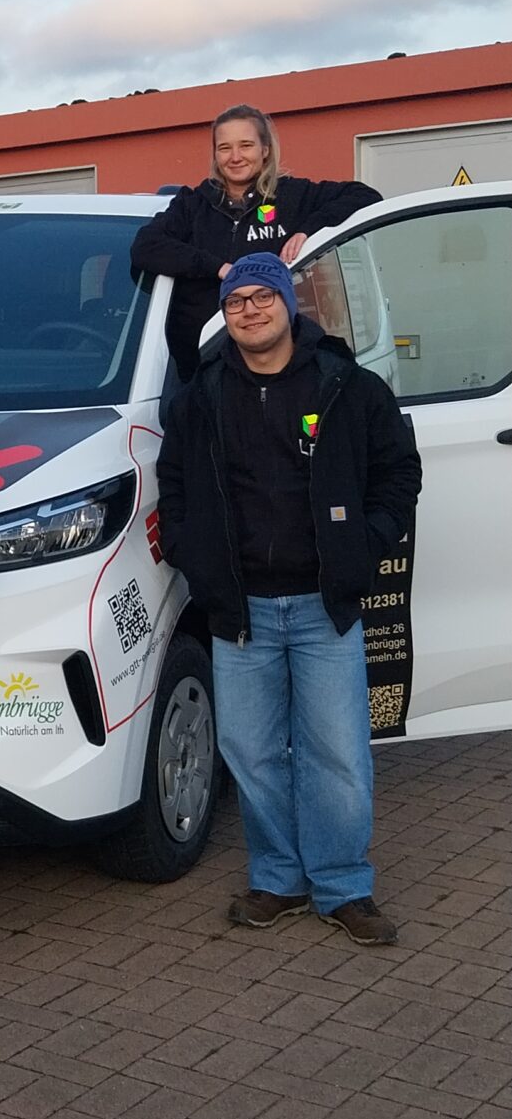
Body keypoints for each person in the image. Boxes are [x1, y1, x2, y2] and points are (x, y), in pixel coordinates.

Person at [157, 253, 421, 945]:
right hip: (239, 611)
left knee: (337, 754)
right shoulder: (201, 395)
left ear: (287, 303)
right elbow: (173, 482)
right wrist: (192, 554)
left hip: (321, 607)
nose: (249, 310)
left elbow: (399, 471)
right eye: (235, 301)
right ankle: (278, 879)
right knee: (249, 751)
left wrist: (363, 543)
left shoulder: (346, 385)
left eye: (261, 296)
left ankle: (342, 885)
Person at [130, 105, 375, 387]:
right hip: (201, 371)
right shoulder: (192, 204)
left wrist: (308, 230)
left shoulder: (292, 196)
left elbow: (365, 195)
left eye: (246, 145)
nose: (235, 157)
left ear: (265, 149)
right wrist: (219, 268)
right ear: (215, 154)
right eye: (224, 148)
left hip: (276, 368)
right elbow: (145, 246)